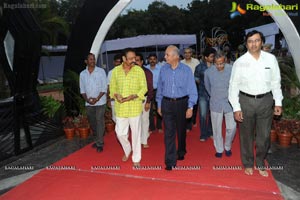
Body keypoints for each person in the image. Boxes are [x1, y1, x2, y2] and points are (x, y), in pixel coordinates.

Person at [229, 30, 283, 177]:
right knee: (246, 136)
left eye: (257, 40)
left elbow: (275, 82)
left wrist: (278, 102)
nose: (254, 44)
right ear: (246, 44)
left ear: (262, 42)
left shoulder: (271, 59)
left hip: (266, 101)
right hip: (245, 101)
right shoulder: (240, 63)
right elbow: (233, 86)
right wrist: (236, 107)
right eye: (250, 41)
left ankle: (260, 162)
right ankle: (247, 163)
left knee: (264, 136)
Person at [156, 45, 197, 170]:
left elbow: (192, 89)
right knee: (169, 132)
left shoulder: (186, 70)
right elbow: (160, 89)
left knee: (181, 129)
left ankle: (181, 150)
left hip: (182, 103)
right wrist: (159, 105)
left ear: (175, 56)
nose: (165, 57)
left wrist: (190, 107)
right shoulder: (163, 70)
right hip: (167, 103)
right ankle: (170, 161)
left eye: (167, 55)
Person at [109, 48, 147, 167]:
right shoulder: (115, 71)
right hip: (121, 108)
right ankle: (127, 149)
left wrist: (134, 96)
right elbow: (112, 88)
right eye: (130, 58)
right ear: (124, 59)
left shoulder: (139, 71)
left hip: (135, 106)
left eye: (134, 58)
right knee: (120, 133)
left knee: (136, 134)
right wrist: (116, 95)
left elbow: (144, 88)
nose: (133, 61)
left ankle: (136, 159)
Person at [204, 51, 236, 158]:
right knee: (216, 129)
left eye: (221, 63)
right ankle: (219, 148)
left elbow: (235, 86)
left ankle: (227, 146)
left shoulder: (232, 70)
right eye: (217, 64)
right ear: (214, 62)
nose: (219, 66)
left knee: (231, 127)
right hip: (215, 103)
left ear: (225, 60)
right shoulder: (208, 72)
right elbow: (208, 87)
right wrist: (214, 95)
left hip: (229, 103)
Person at [79, 53, 107, 152]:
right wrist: (87, 100)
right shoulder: (82, 74)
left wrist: (97, 99)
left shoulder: (101, 71)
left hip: (100, 102)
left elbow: (104, 87)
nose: (93, 61)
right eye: (90, 59)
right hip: (89, 103)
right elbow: (82, 90)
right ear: (86, 61)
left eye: (94, 59)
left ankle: (100, 143)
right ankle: (97, 139)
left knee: (99, 120)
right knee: (93, 122)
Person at [194, 47, 216, 141]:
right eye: (211, 56)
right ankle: (203, 134)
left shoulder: (216, 66)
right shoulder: (199, 67)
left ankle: (211, 132)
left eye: (213, 56)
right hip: (202, 93)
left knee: (212, 114)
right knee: (203, 114)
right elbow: (196, 78)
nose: (213, 58)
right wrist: (204, 84)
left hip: (214, 95)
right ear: (206, 57)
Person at [135, 53, 154, 148]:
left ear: (142, 62)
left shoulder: (147, 72)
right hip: (133, 100)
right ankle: (137, 140)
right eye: (134, 60)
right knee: (135, 121)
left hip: (145, 99)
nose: (135, 62)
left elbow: (150, 88)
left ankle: (144, 140)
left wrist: (148, 102)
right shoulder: (130, 72)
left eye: (138, 60)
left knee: (145, 119)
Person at [181, 47, 200, 131]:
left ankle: (193, 119)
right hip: (184, 87)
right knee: (186, 105)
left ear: (191, 53)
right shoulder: (181, 63)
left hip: (195, 85)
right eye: (185, 53)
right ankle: (188, 124)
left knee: (194, 104)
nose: (187, 54)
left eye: (189, 52)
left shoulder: (196, 62)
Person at [145, 54, 162, 133]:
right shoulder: (145, 69)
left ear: (156, 60)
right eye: (150, 59)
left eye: (154, 59)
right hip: (148, 92)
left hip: (158, 91)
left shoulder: (160, 69)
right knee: (149, 110)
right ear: (148, 60)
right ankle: (152, 127)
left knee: (159, 108)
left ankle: (159, 126)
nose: (152, 61)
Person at [107, 54, 122, 122]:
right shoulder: (110, 73)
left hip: (124, 100)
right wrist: (108, 100)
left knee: (124, 118)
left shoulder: (125, 71)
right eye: (117, 62)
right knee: (115, 118)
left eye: (120, 62)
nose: (118, 63)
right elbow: (108, 87)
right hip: (114, 99)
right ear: (114, 62)